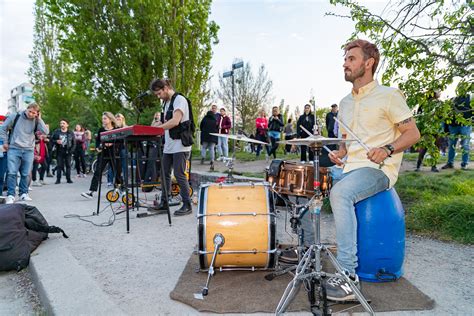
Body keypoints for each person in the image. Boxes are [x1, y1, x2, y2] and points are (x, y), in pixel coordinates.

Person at [325, 39, 420, 301]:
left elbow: (413, 133)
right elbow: (345, 145)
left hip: (378, 169)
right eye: (345, 58)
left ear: (369, 63)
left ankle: (347, 275)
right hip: (350, 169)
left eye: (351, 58)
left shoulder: (389, 96)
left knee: (340, 194)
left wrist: (388, 149)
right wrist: (339, 154)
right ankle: (304, 253)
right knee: (308, 181)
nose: (345, 63)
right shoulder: (344, 103)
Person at [150, 78, 193, 216]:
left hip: (180, 144)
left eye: (159, 93)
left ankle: (187, 204)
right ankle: (164, 202)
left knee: (180, 174)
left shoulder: (179, 99)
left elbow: (175, 121)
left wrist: (158, 130)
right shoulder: (166, 103)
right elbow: (164, 122)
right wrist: (150, 129)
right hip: (169, 145)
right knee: (164, 173)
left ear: (166, 87)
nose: (158, 96)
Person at [0, 103, 49, 204]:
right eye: (29, 111)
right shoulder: (15, 116)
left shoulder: (36, 120)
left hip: (28, 150)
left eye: (34, 113)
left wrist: (39, 119)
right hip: (14, 148)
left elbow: (45, 131)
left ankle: (23, 193)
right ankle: (11, 195)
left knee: (26, 173)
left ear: (37, 113)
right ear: (26, 109)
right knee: (12, 173)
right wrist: (5, 142)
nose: (31, 114)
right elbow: (3, 128)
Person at [81, 112, 122, 199]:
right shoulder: (101, 130)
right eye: (102, 118)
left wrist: (112, 144)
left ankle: (120, 188)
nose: (103, 120)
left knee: (117, 171)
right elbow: (97, 141)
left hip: (114, 153)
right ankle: (91, 191)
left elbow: (121, 142)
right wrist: (97, 147)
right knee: (98, 171)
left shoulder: (117, 129)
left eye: (105, 118)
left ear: (110, 119)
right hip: (103, 153)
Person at [441, 95, 472, 170]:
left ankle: (464, 163)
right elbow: (446, 114)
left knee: (465, 144)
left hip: (465, 125)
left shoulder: (470, 98)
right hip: (453, 126)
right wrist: (446, 129)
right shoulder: (452, 99)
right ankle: (450, 163)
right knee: (452, 145)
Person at [52, 119, 75, 184]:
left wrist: (71, 151)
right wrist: (56, 141)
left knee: (68, 165)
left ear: (67, 125)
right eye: (61, 123)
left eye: (63, 123)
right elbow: (52, 139)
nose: (62, 125)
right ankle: (58, 179)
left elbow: (74, 143)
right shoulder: (57, 132)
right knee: (59, 165)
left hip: (68, 151)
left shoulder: (70, 132)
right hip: (59, 150)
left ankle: (68, 179)